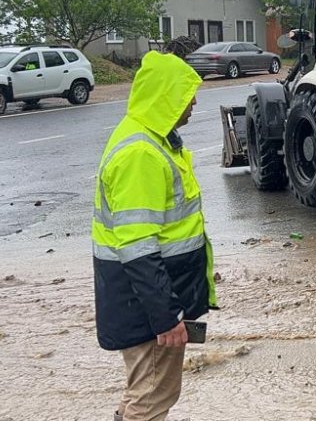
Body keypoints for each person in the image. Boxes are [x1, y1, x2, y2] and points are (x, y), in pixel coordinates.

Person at [91, 51, 216, 421]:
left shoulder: (151, 138)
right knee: (150, 399)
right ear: (166, 97)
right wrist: (166, 316)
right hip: (148, 307)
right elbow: (137, 248)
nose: (193, 103)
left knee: (145, 391)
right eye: (187, 95)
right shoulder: (141, 154)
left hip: (144, 302)